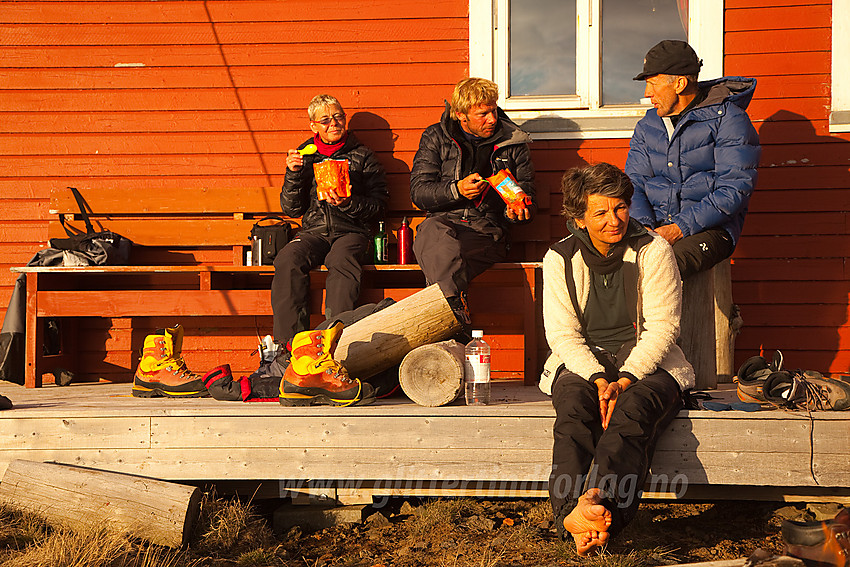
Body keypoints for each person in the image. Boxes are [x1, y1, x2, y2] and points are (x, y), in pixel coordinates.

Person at [539, 163, 695, 555]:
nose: (615, 220)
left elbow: (663, 328)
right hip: (582, 361)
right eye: (601, 213)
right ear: (579, 219)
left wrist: (624, 379)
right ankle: (570, 521)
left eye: (621, 208)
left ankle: (599, 508)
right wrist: (596, 378)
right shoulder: (559, 257)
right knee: (574, 409)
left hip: (648, 361)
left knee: (634, 410)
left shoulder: (653, 250)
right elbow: (561, 334)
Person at [625, 40, 761, 279]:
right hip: (654, 228)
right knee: (607, 264)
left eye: (652, 84)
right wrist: (645, 227)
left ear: (679, 83)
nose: (647, 94)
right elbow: (633, 184)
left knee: (662, 269)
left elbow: (734, 189)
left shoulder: (729, 119)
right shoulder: (648, 126)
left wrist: (678, 228)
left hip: (710, 230)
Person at [410, 77, 536, 321]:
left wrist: (517, 212)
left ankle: (448, 316)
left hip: (486, 230)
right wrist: (456, 190)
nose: (492, 119)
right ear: (461, 115)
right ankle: (454, 310)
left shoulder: (513, 142)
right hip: (442, 225)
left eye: (493, 111)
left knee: (443, 254)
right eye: (482, 114)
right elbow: (419, 193)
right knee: (434, 234)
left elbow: (529, 196)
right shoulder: (436, 137)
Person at [271, 94, 388, 346]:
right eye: (325, 120)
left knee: (342, 260)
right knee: (287, 259)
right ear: (313, 126)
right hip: (314, 231)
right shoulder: (304, 156)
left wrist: (349, 203)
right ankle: (287, 347)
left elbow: (379, 206)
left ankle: (336, 342)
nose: (333, 123)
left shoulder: (363, 156)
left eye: (338, 117)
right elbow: (291, 209)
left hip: (353, 231)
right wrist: (293, 174)